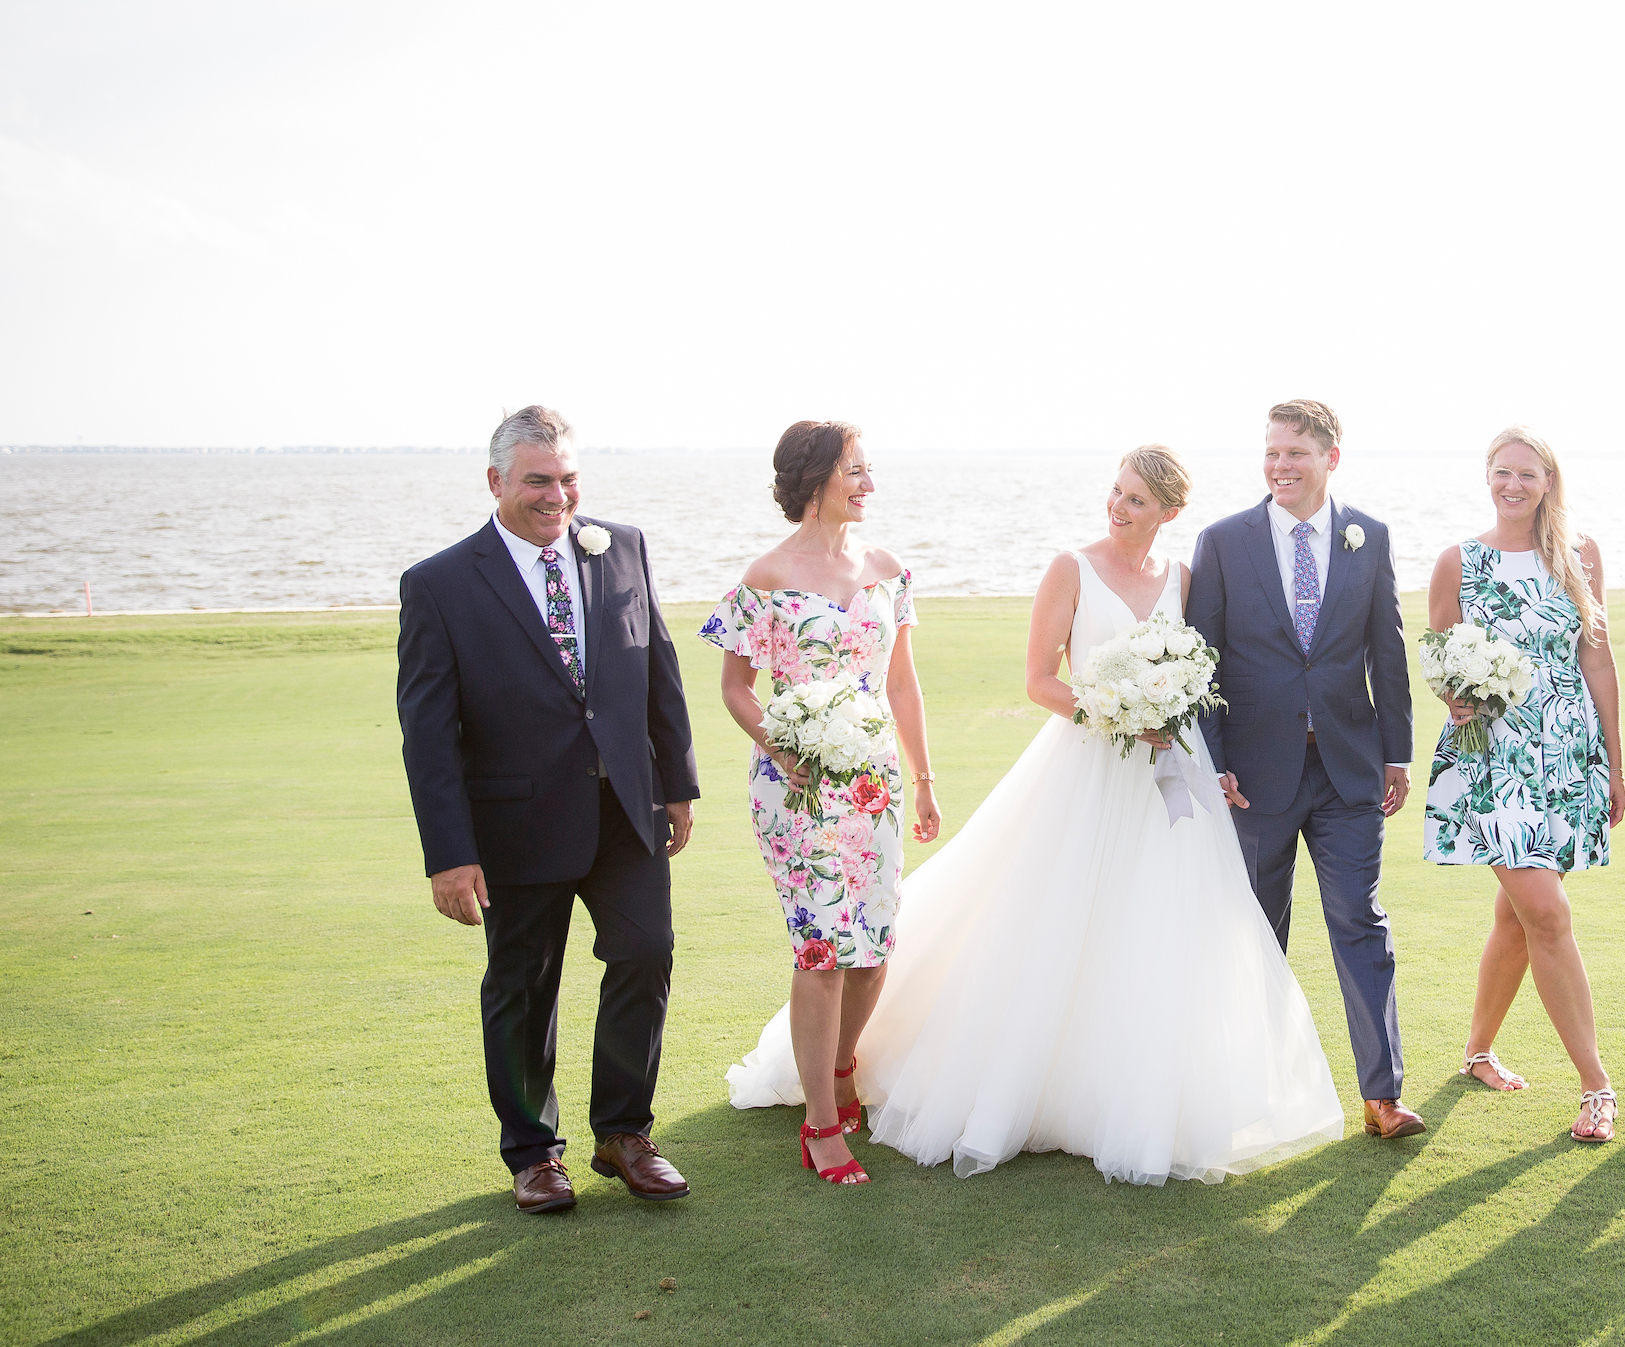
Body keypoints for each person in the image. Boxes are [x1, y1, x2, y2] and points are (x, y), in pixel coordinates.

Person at [832, 446, 1342, 1184]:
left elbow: (1201, 671)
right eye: (1116, 491)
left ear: (1168, 512)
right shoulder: (1070, 568)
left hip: (1170, 771)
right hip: (1091, 765)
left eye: (1136, 499)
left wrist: (1179, 723)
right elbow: (1040, 680)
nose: (1118, 506)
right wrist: (1116, 711)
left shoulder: (1184, 579)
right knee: (1059, 914)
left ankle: (1145, 1096)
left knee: (1164, 924)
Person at [396, 405, 700, 1214]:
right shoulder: (439, 585)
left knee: (646, 953)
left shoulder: (622, 546)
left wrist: (676, 782)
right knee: (524, 985)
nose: (556, 496)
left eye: (568, 478)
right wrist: (449, 853)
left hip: (624, 813)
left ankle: (624, 1133)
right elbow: (428, 735)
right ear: (496, 482)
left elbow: (656, 665)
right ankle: (534, 1153)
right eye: (538, 481)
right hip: (514, 824)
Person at [702, 420, 943, 1187]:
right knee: (822, 950)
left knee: (873, 948)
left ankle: (840, 1067)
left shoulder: (887, 568)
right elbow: (736, 688)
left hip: (872, 783)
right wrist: (780, 744)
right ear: (812, 480)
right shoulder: (766, 578)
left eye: (870, 471)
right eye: (856, 472)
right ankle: (818, 1124)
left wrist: (925, 780)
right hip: (796, 785)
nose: (869, 484)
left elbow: (901, 683)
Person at [1188, 400, 1422, 1140]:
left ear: (1331, 458)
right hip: (1255, 777)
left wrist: (1396, 753)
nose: (1281, 466)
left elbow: (1387, 650)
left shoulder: (1369, 537)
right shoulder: (1225, 542)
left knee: (1361, 920)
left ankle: (1382, 1096)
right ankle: (1251, 1090)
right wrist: (1216, 764)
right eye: (1271, 453)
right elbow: (1203, 664)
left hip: (1349, 772)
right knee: (1258, 929)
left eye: (1296, 453)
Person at [1423, 427, 1625, 1143]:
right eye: (1502, 472)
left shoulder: (1582, 557)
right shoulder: (1460, 561)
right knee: (1547, 913)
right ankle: (1596, 1085)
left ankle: (1477, 1051)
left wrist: (1615, 763)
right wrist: (1454, 696)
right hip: (1493, 760)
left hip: (1568, 755)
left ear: (1549, 481)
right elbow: (1441, 662)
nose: (1514, 485)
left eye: (1528, 474)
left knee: (1517, 914)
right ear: (1488, 476)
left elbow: (1598, 662)